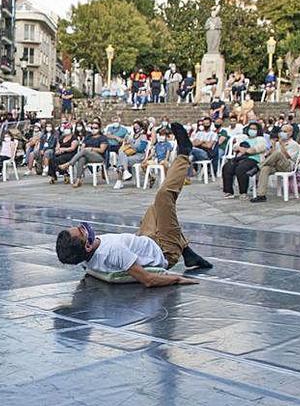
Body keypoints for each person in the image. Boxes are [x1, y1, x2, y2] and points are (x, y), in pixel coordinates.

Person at [54, 123, 211, 287]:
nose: (84, 228)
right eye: (81, 232)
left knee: (156, 208)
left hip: (145, 238)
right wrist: (177, 279)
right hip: (164, 249)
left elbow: (91, 268)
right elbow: (148, 280)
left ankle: (187, 252)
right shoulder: (113, 251)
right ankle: (184, 154)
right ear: (86, 246)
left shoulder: (87, 259)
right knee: (164, 197)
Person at [250, 124, 300, 203]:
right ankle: (261, 195)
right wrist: (273, 146)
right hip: (276, 165)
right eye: (281, 131)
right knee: (265, 169)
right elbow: (271, 156)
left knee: (278, 153)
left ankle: (257, 167)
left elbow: (288, 157)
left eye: (285, 131)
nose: (282, 133)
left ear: (290, 133)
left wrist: (281, 145)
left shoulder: (294, 144)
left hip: (287, 166)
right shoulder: (277, 143)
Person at [222, 121, 267, 198]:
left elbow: (255, 150)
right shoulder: (244, 138)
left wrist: (243, 150)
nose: (252, 130)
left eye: (254, 129)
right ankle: (228, 191)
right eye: (250, 128)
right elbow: (234, 147)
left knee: (241, 169)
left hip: (254, 159)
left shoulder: (260, 139)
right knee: (227, 167)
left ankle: (243, 192)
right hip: (241, 158)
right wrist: (242, 149)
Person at [61, 120, 108, 188]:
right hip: (87, 155)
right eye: (92, 128)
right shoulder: (88, 137)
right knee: (82, 158)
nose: (93, 130)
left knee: (85, 151)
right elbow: (83, 146)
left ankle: (69, 164)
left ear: (99, 128)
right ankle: (78, 180)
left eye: (95, 128)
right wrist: (84, 148)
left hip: (99, 156)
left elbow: (102, 150)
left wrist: (91, 149)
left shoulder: (103, 138)